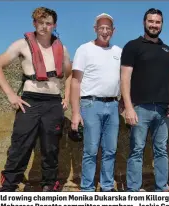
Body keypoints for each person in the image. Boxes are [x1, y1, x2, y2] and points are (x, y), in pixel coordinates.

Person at [0, 6, 72, 192]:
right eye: (41, 22)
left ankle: (49, 184)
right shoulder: (21, 45)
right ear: (34, 23)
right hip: (30, 100)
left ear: (54, 25)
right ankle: (9, 185)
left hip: (53, 102)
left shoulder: (63, 49)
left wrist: (66, 96)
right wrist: (11, 95)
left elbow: (70, 75)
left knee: (50, 147)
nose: (44, 27)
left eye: (48, 23)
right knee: (20, 145)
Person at [120, 8, 169, 192]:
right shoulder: (132, 46)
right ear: (144, 22)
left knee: (161, 150)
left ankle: (161, 188)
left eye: (157, 22)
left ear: (162, 24)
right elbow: (125, 78)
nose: (154, 25)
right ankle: (134, 190)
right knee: (137, 150)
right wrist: (128, 107)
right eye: (151, 21)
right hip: (140, 108)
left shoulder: (167, 50)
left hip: (162, 109)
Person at [70, 13, 122, 192]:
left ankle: (107, 187)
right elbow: (75, 82)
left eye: (108, 28)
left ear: (113, 31)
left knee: (110, 150)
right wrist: (75, 113)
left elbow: (123, 79)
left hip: (114, 105)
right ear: (95, 29)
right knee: (90, 151)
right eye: (102, 28)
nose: (105, 31)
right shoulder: (84, 49)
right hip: (91, 105)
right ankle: (87, 188)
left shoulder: (118, 52)